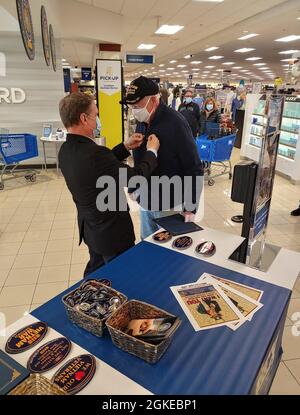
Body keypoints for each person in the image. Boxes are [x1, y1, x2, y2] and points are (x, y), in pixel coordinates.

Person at [58, 92, 160, 277]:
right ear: (83, 118)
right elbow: (135, 177)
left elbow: (99, 166)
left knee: (96, 275)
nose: (98, 119)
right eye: (96, 115)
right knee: (122, 278)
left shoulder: (66, 150)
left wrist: (125, 146)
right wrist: (152, 152)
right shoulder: (95, 153)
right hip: (112, 234)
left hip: (91, 229)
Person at [121, 76, 204, 240]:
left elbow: (194, 167)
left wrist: (191, 206)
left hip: (170, 202)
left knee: (169, 251)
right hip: (146, 200)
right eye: (131, 106)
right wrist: (133, 187)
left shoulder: (176, 123)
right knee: (147, 245)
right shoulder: (143, 121)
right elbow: (140, 159)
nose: (134, 110)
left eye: (136, 105)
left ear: (152, 100)